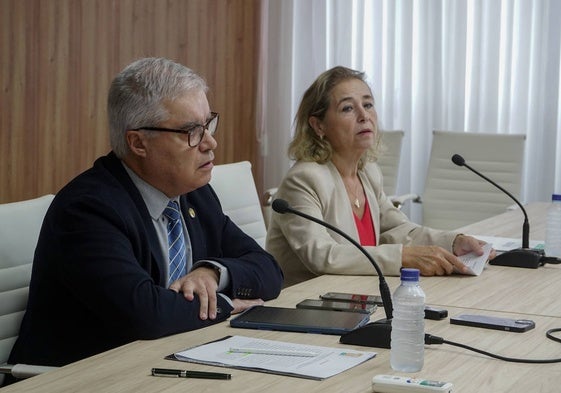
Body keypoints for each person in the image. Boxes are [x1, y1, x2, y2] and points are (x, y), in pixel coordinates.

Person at [7, 57, 284, 374]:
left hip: (166, 362)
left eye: (208, 124)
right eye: (191, 131)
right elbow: (145, 312)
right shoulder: (87, 209)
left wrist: (211, 273)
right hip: (79, 377)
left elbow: (269, 271)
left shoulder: (194, 193)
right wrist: (223, 304)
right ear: (138, 142)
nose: (210, 142)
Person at [266, 65, 494, 287]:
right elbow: (322, 255)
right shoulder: (304, 180)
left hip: (357, 298)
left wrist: (454, 242)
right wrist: (402, 257)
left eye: (368, 104)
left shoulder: (368, 173)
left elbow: (399, 230)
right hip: (305, 308)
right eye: (348, 108)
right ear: (318, 125)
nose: (364, 115)